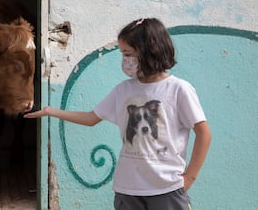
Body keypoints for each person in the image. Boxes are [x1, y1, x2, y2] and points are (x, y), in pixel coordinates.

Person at [24, 18, 212, 210]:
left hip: (167, 189)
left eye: (128, 54)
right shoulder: (123, 90)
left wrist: (189, 177)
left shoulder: (179, 89)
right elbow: (92, 118)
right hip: (127, 190)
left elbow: (204, 133)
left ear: (150, 52)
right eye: (123, 54)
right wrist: (51, 111)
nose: (125, 61)